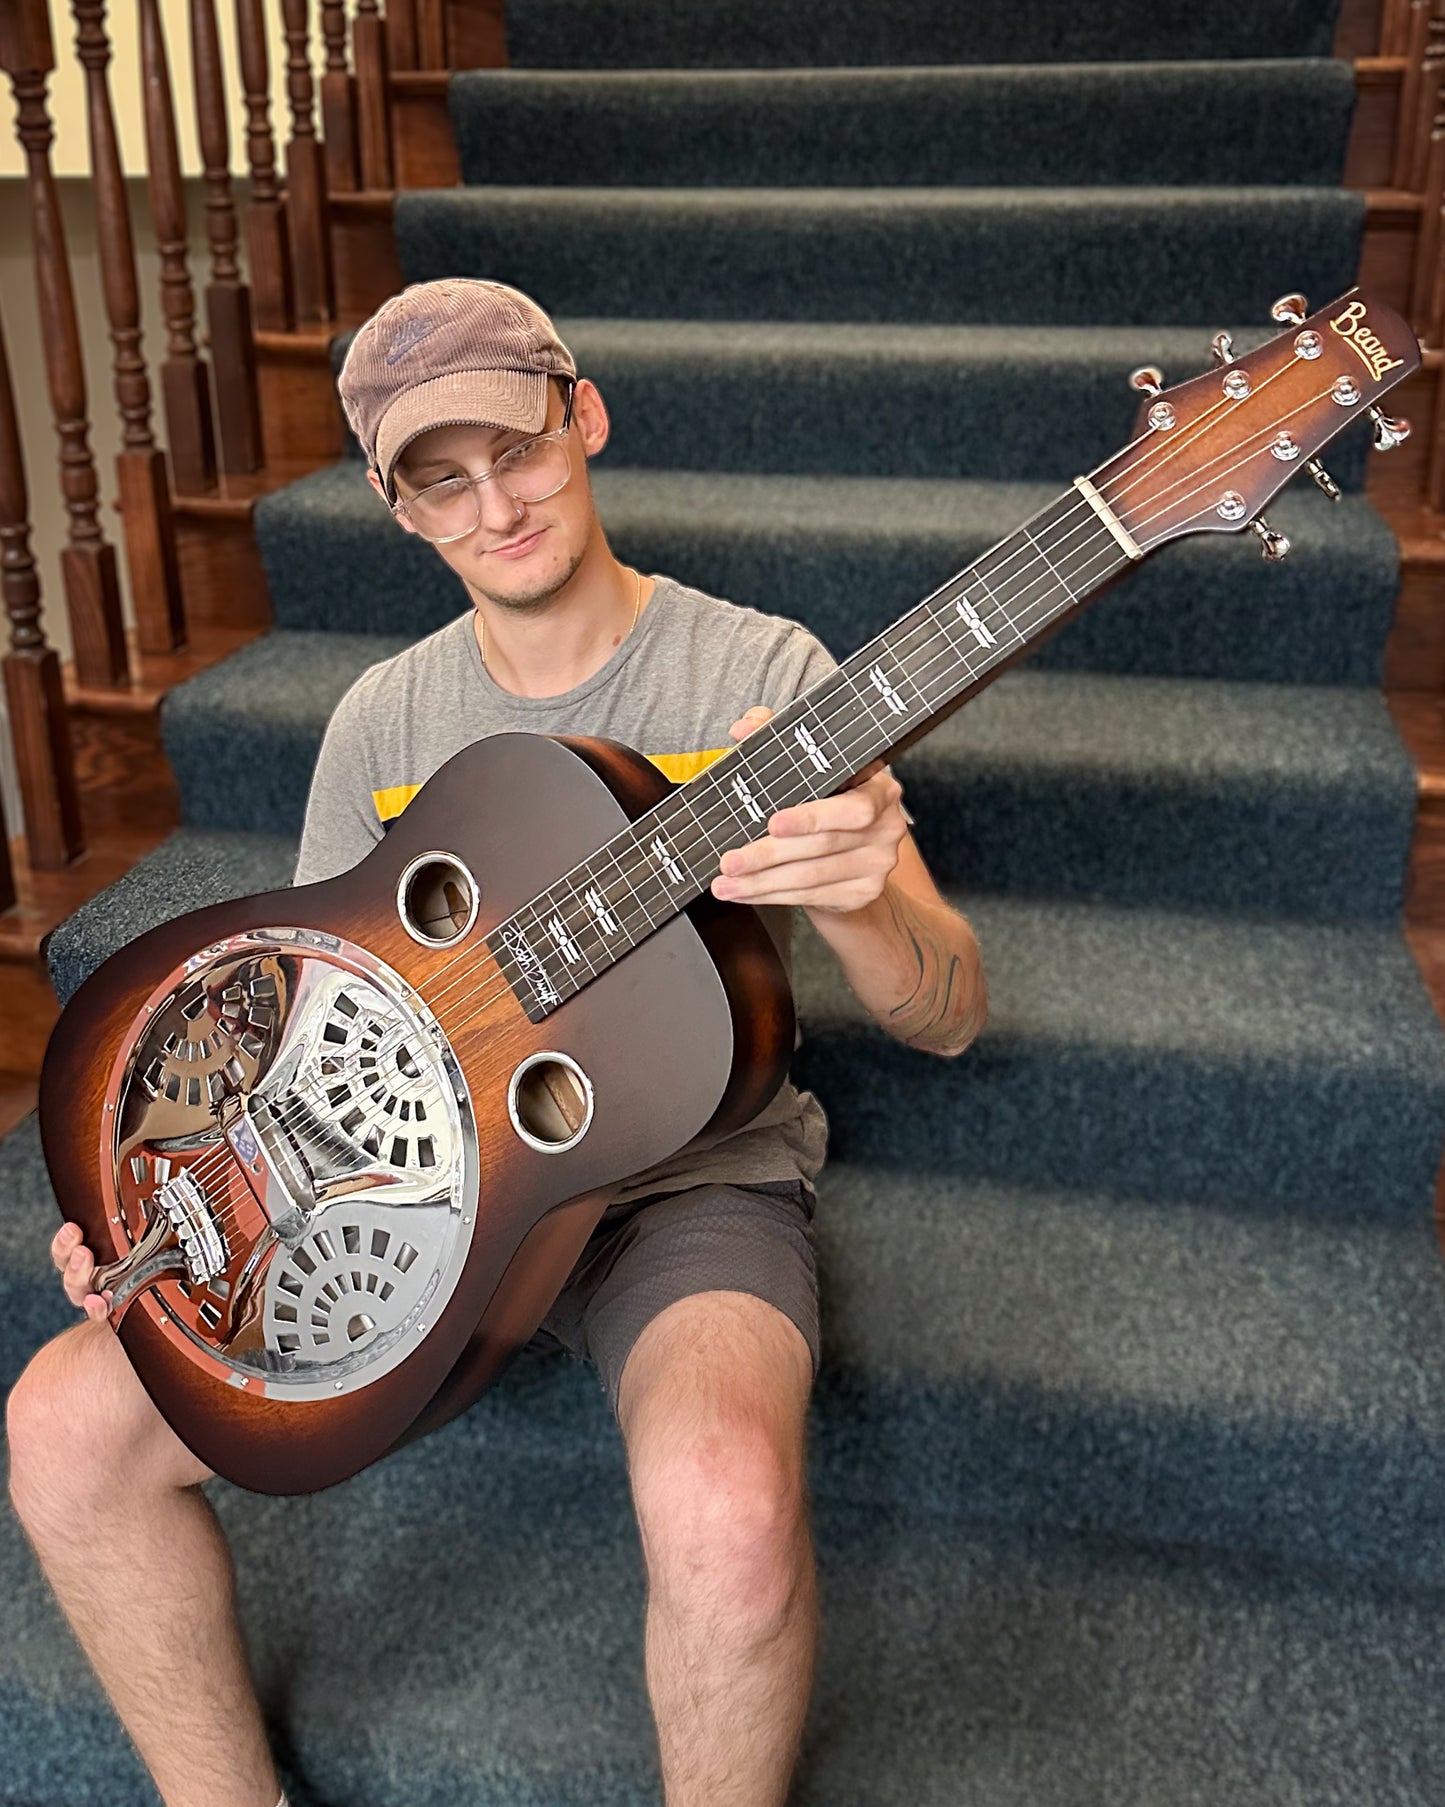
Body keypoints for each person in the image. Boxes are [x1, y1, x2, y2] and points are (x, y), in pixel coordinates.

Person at [7, 278, 987, 1807]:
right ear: (396, 508)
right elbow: (298, 1018)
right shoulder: (381, 723)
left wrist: (862, 901)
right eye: (440, 481)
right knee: (59, 1426)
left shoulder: (763, 680)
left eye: (516, 450)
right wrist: (161, 1195)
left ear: (580, 416)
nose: (494, 507)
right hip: (412, 1197)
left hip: (682, 1181)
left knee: (727, 1509)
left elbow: (946, 1013)